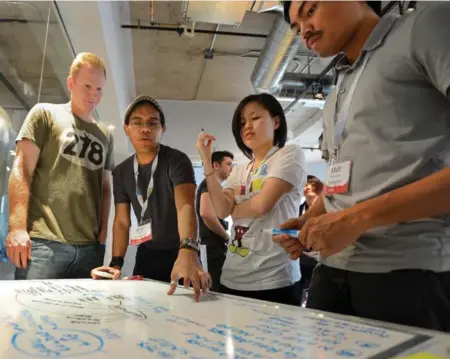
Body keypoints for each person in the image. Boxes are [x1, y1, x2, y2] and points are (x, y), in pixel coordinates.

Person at [276, 1, 450, 331]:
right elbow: (346, 183)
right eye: (297, 27)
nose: (305, 31)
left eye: (310, 9)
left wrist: (357, 218)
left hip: (409, 272)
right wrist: (311, 221)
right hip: (332, 273)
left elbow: (356, 209)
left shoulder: (423, 27)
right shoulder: (338, 88)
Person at [91, 95, 210, 302]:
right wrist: (116, 262)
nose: (145, 129)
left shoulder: (176, 160)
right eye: (137, 122)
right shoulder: (121, 172)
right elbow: (121, 221)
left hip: (180, 250)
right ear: (126, 128)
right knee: (144, 314)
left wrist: (189, 249)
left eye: (152, 123)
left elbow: (185, 206)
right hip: (146, 253)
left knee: (185, 313)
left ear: (162, 129)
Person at [6, 52, 114, 279]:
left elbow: (105, 189)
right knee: (30, 313)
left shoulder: (106, 135)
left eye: (99, 89)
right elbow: (22, 169)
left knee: (80, 315)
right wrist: (17, 228)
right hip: (44, 244)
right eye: (87, 86)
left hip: (89, 249)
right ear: (71, 83)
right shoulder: (45, 114)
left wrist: (102, 237)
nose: (93, 94)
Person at [197, 93, 306, 305]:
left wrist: (234, 209)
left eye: (255, 118)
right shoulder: (238, 170)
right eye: (242, 122)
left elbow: (261, 205)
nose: (247, 126)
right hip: (233, 277)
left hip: (274, 279)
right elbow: (220, 210)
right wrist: (206, 161)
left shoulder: (289, 154)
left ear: (275, 122)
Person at [196, 150, 234, 292]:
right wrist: (225, 236)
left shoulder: (215, 187)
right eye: (228, 164)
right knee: (213, 290)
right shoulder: (209, 184)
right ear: (216, 165)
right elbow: (206, 214)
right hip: (211, 248)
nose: (231, 168)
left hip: (214, 248)